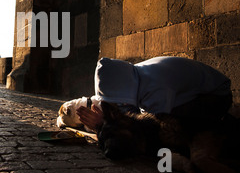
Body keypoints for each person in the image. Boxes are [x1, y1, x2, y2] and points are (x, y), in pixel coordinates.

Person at [76, 56, 233, 132]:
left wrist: (103, 125)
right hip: (198, 93)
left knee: (175, 128)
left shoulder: (155, 88)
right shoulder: (135, 77)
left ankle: (222, 126)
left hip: (216, 97)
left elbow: (152, 129)